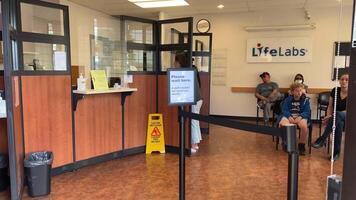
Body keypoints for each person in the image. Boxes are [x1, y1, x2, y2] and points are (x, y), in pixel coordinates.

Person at [312, 73, 349, 161]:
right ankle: (336, 154)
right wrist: (328, 116)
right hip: (336, 119)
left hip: (348, 119)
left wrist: (332, 116)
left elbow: (349, 110)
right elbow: (330, 106)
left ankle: (322, 138)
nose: (344, 81)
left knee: (338, 114)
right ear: (339, 81)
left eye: (346, 79)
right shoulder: (335, 90)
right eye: (342, 79)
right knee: (338, 124)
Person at [174, 53, 203, 153]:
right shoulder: (193, 69)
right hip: (198, 99)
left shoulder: (187, 71)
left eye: (176, 61)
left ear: (180, 62)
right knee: (195, 121)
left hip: (194, 100)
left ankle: (194, 145)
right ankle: (196, 143)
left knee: (193, 122)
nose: (174, 64)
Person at [278, 83, 311, 155]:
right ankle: (286, 143)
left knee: (304, 126)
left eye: (300, 91)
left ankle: (301, 145)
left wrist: (300, 117)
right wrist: (289, 117)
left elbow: (307, 111)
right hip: (289, 116)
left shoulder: (305, 100)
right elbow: (284, 110)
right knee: (283, 124)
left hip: (300, 117)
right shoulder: (287, 100)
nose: (299, 92)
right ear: (292, 92)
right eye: (296, 91)